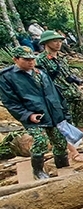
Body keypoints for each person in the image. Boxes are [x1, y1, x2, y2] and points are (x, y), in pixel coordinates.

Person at [37, 30, 83, 162]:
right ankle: (74, 153)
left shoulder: (61, 58)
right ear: (46, 42)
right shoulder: (41, 60)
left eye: (59, 41)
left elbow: (67, 75)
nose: (58, 44)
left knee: (82, 121)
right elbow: (42, 81)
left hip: (74, 94)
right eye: (55, 41)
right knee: (65, 126)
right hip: (60, 97)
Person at [0, 46, 70, 178]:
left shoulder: (41, 72)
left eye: (32, 59)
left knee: (60, 141)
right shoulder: (7, 77)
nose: (31, 62)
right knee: (40, 140)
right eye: (26, 60)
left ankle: (63, 167)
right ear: (15, 59)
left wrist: (64, 112)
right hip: (33, 114)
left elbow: (55, 93)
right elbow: (10, 102)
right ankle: (38, 171)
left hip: (53, 113)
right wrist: (27, 115)